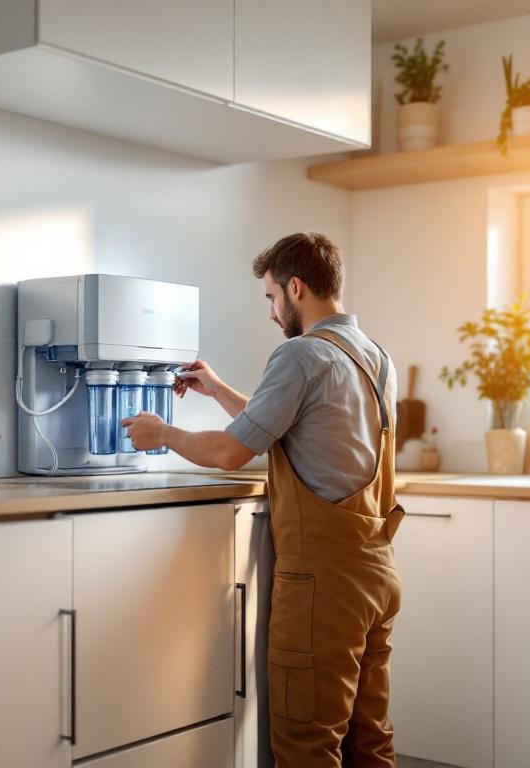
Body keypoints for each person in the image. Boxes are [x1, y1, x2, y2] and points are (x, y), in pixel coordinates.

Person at [123, 232, 404, 767]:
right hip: (376, 571)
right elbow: (298, 424)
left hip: (324, 583)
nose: (273, 312)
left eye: (273, 297)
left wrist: (163, 434)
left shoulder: (300, 354)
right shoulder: (374, 356)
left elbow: (232, 452)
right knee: (370, 741)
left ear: (296, 288)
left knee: (308, 745)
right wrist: (219, 389)